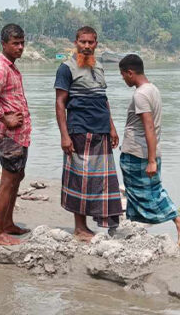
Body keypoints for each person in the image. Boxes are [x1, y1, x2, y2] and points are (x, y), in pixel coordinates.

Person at [117, 54, 180, 246]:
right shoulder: (153, 89)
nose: (123, 79)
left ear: (130, 73)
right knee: (138, 193)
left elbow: (149, 126)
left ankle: (179, 222)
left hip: (138, 153)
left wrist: (151, 160)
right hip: (149, 151)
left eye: (123, 75)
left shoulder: (140, 95)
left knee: (148, 194)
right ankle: (134, 230)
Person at [55, 26, 122, 240]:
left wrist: (112, 127)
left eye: (90, 42)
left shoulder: (99, 66)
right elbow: (60, 103)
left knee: (102, 181)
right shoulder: (66, 68)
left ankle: (106, 225)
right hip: (79, 131)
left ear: (96, 44)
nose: (86, 46)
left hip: (101, 131)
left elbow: (103, 99)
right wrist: (64, 135)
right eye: (82, 42)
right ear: (76, 43)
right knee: (80, 179)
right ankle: (80, 227)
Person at [0, 23, 32, 246]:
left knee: (16, 178)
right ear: (4, 44)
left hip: (19, 135)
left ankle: (8, 223)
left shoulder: (11, 67)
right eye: (15, 43)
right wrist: (5, 118)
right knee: (7, 181)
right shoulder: (1, 67)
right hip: (9, 135)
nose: (20, 47)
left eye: (22, 43)